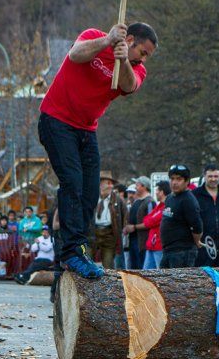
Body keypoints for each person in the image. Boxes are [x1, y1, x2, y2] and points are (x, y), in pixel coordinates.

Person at [38, 22, 157, 278]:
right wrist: (107, 42)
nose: (144, 59)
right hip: (56, 120)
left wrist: (124, 60)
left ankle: (79, 249)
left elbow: (129, 86)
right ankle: (70, 252)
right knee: (72, 182)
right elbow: (75, 55)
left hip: (86, 129)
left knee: (91, 192)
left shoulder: (136, 69)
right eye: (143, 52)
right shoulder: (93, 37)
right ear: (130, 40)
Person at [159, 165, 203, 269]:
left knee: (179, 280)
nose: (174, 182)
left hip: (182, 252)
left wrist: (197, 241)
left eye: (179, 179)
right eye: (172, 179)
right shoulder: (169, 198)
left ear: (187, 181)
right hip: (168, 250)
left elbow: (197, 226)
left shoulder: (188, 200)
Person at [93, 171, 128, 269]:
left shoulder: (117, 199)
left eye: (112, 184)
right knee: (87, 260)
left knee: (108, 264)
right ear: (100, 184)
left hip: (109, 234)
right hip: (92, 233)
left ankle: (108, 278)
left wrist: (119, 229)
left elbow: (125, 215)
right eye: (108, 183)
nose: (111, 186)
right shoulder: (92, 197)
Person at [124, 176, 155, 270]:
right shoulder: (136, 201)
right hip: (133, 240)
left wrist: (134, 227)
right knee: (133, 268)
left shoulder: (150, 202)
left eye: (137, 185)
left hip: (143, 242)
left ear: (144, 186)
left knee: (142, 269)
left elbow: (151, 223)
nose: (135, 187)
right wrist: (127, 228)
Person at [142, 181, 169, 269]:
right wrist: (150, 221)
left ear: (162, 192)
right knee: (145, 273)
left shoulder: (166, 207)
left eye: (157, 190)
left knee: (160, 273)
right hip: (152, 245)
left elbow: (150, 221)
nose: (156, 192)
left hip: (159, 246)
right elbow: (146, 219)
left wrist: (150, 221)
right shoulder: (159, 206)